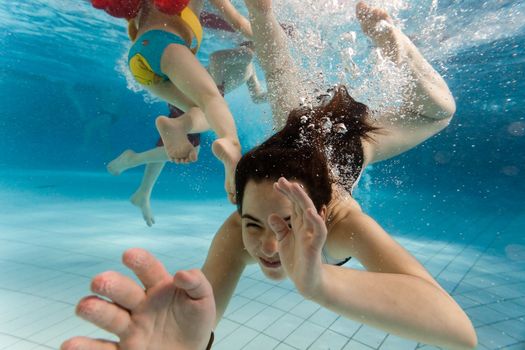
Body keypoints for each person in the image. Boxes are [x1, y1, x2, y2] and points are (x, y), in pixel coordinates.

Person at [62, 1, 478, 349]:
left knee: (440, 113)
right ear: (238, 205)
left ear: (320, 210)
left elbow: (460, 333)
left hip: (344, 143)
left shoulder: (342, 220)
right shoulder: (238, 230)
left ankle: (397, 47)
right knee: (285, 95)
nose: (266, 244)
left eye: (289, 223)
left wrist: (319, 282)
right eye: (252, 222)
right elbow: (197, 322)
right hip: (298, 135)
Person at [93, 0, 255, 203]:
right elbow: (239, 22)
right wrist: (265, 37)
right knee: (211, 98)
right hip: (167, 44)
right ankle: (230, 142)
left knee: (203, 112)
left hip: (138, 58)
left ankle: (180, 125)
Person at [107, 43, 267, 226]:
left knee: (173, 143)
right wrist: (215, 95)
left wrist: (279, 94)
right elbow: (216, 57)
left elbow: (257, 97)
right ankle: (133, 160)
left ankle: (143, 192)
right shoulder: (246, 54)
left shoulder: (250, 68)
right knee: (189, 148)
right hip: (195, 97)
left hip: (192, 97)